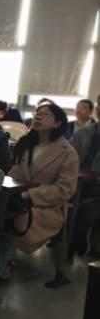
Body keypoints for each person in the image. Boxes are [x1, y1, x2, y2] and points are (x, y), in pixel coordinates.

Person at [3, 102, 78, 259]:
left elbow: (64, 190)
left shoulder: (67, 153)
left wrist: (29, 195)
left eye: (45, 114)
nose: (38, 116)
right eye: (37, 113)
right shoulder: (26, 143)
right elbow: (14, 174)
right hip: (18, 199)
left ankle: (0, 263)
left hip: (47, 207)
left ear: (57, 123)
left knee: (14, 218)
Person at [70, 101, 100, 256]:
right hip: (78, 181)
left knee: (87, 211)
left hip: (96, 186)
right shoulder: (82, 133)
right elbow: (70, 160)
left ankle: (78, 243)